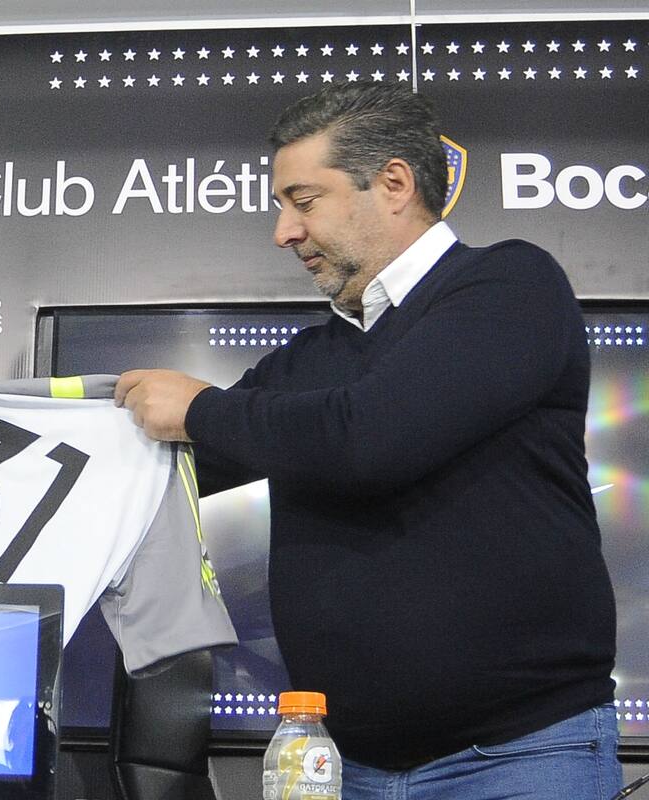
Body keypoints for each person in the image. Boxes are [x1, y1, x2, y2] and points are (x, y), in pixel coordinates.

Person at [115, 81, 619, 799]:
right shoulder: (311, 359)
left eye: (304, 201)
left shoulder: (510, 285)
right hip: (345, 766)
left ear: (394, 184)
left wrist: (199, 410)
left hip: (516, 760)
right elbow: (164, 466)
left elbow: (373, 438)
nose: (284, 232)